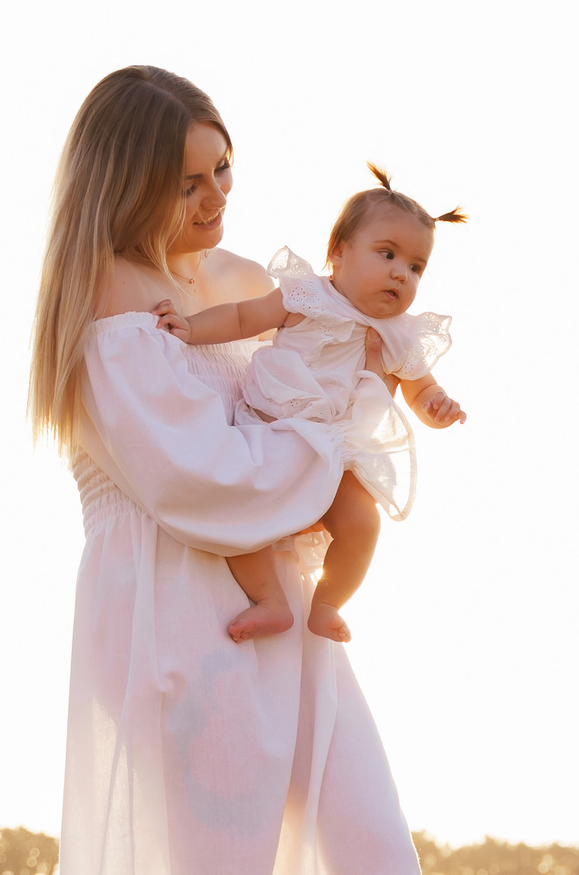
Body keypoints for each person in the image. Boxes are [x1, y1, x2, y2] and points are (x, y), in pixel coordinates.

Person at [28, 65, 447, 875]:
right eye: (191, 180)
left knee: (378, 863)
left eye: (226, 173)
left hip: (289, 613)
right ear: (129, 184)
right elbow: (207, 482)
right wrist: (330, 455)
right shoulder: (109, 318)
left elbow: (306, 375)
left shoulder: (219, 286)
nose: (217, 199)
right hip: (181, 625)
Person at [155, 166, 470, 644]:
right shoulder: (308, 297)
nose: (400, 274)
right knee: (240, 508)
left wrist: (438, 406)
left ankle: (326, 602)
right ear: (339, 253)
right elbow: (243, 317)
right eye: (387, 254)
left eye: (415, 267)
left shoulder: (400, 335)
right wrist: (192, 328)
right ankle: (270, 601)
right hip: (276, 429)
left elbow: (419, 389)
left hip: (339, 451)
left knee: (363, 523)